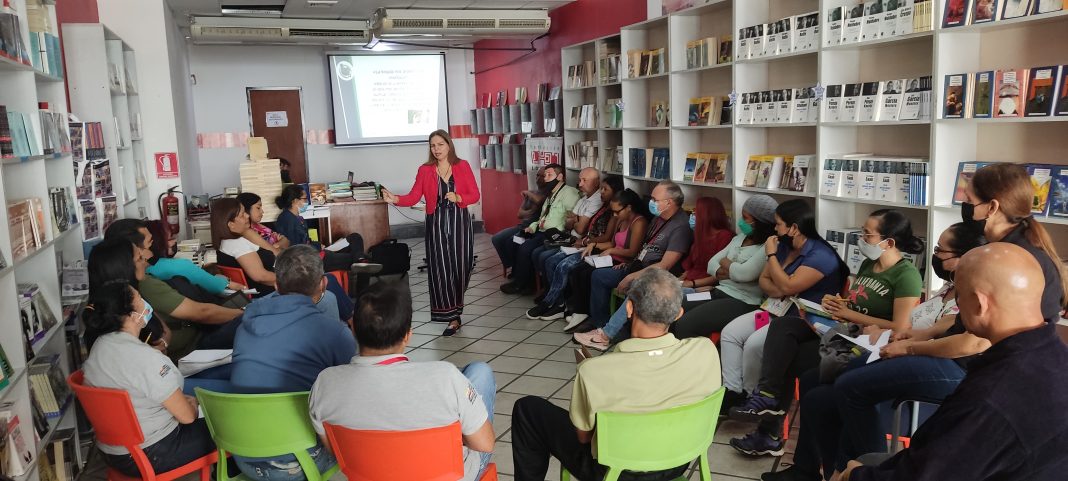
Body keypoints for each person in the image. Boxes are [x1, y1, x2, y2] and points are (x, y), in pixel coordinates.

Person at [768, 223, 987, 481]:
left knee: (842, 388)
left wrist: (906, 343)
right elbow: (930, 327)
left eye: (941, 250)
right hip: (896, 348)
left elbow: (962, 341)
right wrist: (898, 335)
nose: (935, 255)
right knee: (814, 384)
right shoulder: (949, 287)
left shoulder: (967, 292)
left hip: (926, 371)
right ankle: (819, 471)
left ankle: (862, 472)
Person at [841, 243, 1068, 481]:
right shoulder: (1054, 355)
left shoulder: (992, 395)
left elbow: (930, 474)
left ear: (979, 304)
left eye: (959, 297)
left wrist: (854, 476)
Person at [730, 209, 923, 457]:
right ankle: (766, 399)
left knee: (790, 360)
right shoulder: (868, 264)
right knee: (784, 327)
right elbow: (855, 303)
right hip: (844, 331)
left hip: (867, 345)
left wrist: (849, 314)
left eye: (868, 235)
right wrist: (836, 304)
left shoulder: (906, 275)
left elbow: (900, 327)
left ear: (889, 242)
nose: (862, 239)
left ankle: (770, 432)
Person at [510, 268, 721, 481]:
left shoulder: (594, 371)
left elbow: (583, 438)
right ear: (678, 314)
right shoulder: (705, 350)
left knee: (527, 409)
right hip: (679, 461)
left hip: (616, 472)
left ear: (629, 307)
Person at [308, 282, 495, 481]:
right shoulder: (445, 376)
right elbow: (485, 444)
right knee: (480, 372)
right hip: (451, 476)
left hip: (370, 475)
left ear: (353, 328)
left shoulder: (324, 383)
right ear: (407, 335)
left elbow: (337, 453)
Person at [712, 199, 848, 419]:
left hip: (801, 319)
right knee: (731, 333)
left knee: (754, 344)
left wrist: (772, 257)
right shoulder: (784, 245)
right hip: (775, 308)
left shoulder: (820, 255)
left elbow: (787, 286)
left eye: (778, 224)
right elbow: (765, 280)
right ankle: (733, 391)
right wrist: (780, 287)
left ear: (794, 228)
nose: (774, 228)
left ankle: (752, 396)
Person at [229, 245, 354, 481]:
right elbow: (351, 392)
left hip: (243, 454)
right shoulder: (334, 332)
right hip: (299, 459)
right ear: (323, 284)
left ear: (276, 285)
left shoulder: (244, 327)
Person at [575, 194, 763, 350]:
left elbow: (733, 274)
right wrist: (684, 279)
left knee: (655, 298)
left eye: (696, 213)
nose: (692, 216)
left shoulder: (725, 237)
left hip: (705, 288)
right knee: (645, 290)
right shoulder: (725, 238)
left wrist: (698, 281)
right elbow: (710, 266)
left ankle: (609, 336)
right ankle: (616, 337)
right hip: (699, 286)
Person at [82, 281, 216, 477]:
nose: (146, 303)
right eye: (140, 299)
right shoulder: (145, 358)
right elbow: (187, 417)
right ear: (132, 315)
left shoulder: (99, 347)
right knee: (229, 426)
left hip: (113, 453)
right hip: (153, 453)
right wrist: (193, 404)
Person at [383, 129, 481, 336]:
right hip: (436, 222)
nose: (436, 149)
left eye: (440, 144)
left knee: (462, 266)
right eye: (432, 145)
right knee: (441, 269)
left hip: (460, 222)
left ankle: (457, 305)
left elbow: (475, 194)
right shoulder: (425, 169)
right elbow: (414, 196)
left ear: (449, 145)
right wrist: (396, 199)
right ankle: (452, 317)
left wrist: (460, 197)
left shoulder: (462, 165)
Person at [92, 235, 243, 361]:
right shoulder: (140, 292)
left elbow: (164, 332)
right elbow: (202, 312)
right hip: (188, 353)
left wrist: (163, 344)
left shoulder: (131, 294)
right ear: (124, 267)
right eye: (139, 259)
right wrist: (243, 313)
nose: (145, 262)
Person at [960, 163, 1066, 322]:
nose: (964, 205)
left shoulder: (1008, 260)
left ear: (992, 208)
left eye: (969, 199)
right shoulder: (1015, 242)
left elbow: (982, 331)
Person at [584, 181, 693, 334]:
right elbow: (643, 247)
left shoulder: (680, 226)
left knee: (637, 286)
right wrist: (630, 264)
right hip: (637, 265)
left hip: (655, 274)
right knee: (598, 275)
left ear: (669, 202)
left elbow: (665, 265)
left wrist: (632, 276)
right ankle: (599, 324)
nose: (651, 202)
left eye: (655, 200)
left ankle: (611, 333)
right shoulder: (658, 217)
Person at [526, 175, 622, 321]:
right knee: (551, 261)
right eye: (601, 189)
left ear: (615, 192)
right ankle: (559, 303)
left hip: (595, 248)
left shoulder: (614, 213)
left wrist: (585, 241)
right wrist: (581, 235)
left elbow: (606, 237)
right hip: (584, 243)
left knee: (564, 266)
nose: (601, 192)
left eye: (605, 189)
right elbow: (573, 221)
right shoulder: (603, 206)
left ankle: (550, 302)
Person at [563, 189, 649, 332]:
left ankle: (598, 320)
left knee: (592, 274)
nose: (614, 215)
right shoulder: (620, 219)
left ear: (628, 207)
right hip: (610, 258)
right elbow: (612, 243)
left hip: (623, 262)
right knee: (579, 269)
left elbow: (632, 252)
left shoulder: (639, 222)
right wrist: (594, 244)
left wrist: (612, 251)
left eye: (617, 211)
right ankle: (581, 311)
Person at [105, 219, 245, 297]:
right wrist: (225, 281)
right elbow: (217, 288)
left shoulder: (116, 283)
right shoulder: (173, 268)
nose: (174, 242)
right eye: (150, 242)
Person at [498, 164, 580, 295]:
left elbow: (571, 219)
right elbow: (543, 217)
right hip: (540, 230)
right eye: (545, 175)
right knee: (514, 241)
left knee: (525, 247)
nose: (545, 178)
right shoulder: (551, 194)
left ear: (560, 177)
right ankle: (521, 278)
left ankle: (521, 285)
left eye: (549, 175)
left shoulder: (569, 193)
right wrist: (532, 227)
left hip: (555, 234)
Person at [529, 167, 603, 288]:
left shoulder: (597, 200)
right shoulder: (584, 198)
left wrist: (575, 219)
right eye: (580, 180)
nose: (580, 184)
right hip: (568, 237)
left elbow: (580, 229)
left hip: (579, 242)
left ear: (596, 182)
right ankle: (546, 290)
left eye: (585, 180)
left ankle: (555, 295)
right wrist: (577, 220)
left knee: (546, 258)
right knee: (538, 252)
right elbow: (567, 222)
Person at [492, 166, 550, 278]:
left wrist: (527, 194)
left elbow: (539, 200)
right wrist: (531, 210)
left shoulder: (548, 194)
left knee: (512, 242)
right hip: (522, 225)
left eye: (542, 176)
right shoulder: (531, 193)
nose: (538, 178)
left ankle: (517, 271)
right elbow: (520, 214)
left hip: (534, 229)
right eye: (537, 175)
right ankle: (512, 265)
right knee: (497, 238)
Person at [212, 197, 278, 296]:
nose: (247, 216)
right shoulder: (236, 244)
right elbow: (261, 276)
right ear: (231, 224)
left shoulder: (226, 242)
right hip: (267, 295)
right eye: (242, 214)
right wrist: (289, 280)